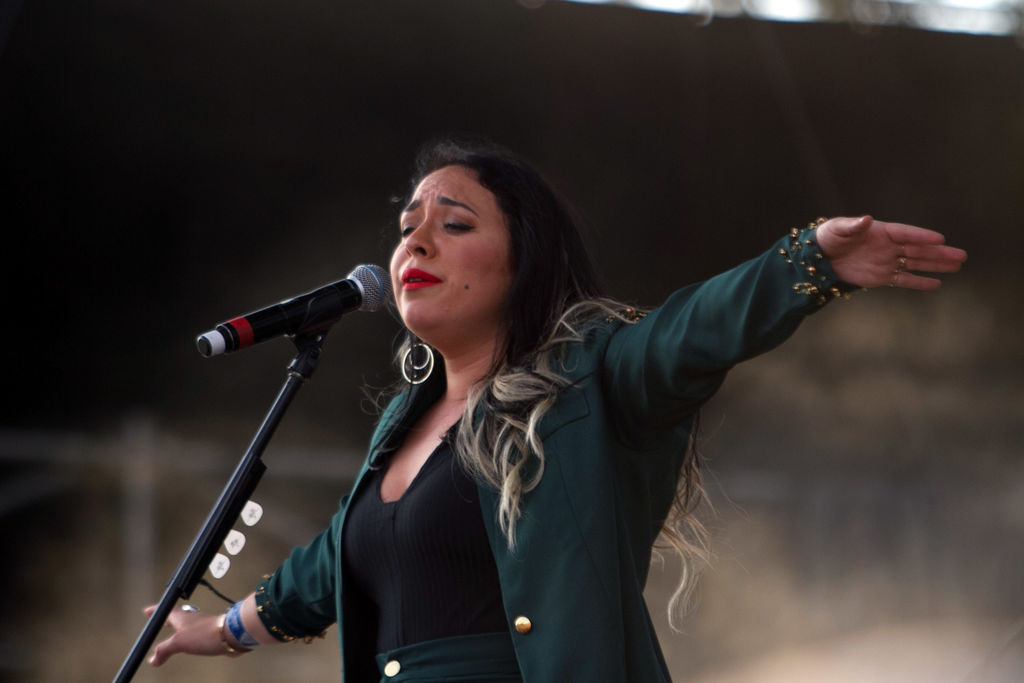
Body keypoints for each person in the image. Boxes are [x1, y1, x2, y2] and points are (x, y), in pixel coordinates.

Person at [145, 139, 967, 681]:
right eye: (406, 227)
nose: (415, 242)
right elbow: (330, 565)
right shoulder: (402, 424)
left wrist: (804, 264)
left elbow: (690, 332)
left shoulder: (589, 380)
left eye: (453, 222)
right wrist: (218, 628)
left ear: (524, 259)